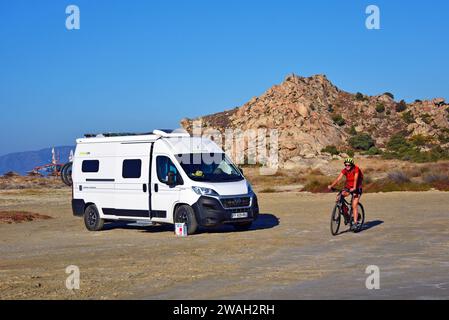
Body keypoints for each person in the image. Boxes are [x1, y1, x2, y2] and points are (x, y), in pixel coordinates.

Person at [328, 158, 364, 230]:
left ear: (352, 165)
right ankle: (346, 214)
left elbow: (356, 179)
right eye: (346, 165)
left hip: (357, 188)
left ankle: (356, 223)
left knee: (354, 205)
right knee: (339, 197)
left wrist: (354, 187)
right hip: (348, 187)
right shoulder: (344, 170)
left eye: (349, 165)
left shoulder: (356, 169)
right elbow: (338, 179)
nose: (347, 166)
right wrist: (331, 186)